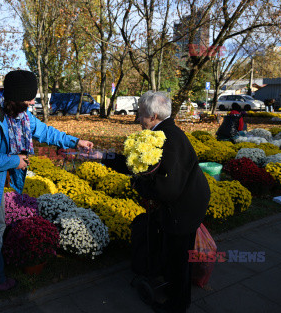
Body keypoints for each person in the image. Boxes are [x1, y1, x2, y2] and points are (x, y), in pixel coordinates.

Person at [0, 70, 93, 291]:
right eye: (29, 98)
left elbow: (44, 131)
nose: (32, 101)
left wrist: (75, 142)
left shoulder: (21, 114)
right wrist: (13, 161)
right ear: (14, 97)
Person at [89, 91, 210, 312]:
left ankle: (177, 304)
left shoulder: (168, 139)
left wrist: (138, 186)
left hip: (183, 209)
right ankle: (172, 287)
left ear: (153, 116)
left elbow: (167, 190)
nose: (137, 118)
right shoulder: (162, 132)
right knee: (172, 253)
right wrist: (104, 157)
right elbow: (137, 163)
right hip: (182, 204)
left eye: (140, 114)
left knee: (178, 258)